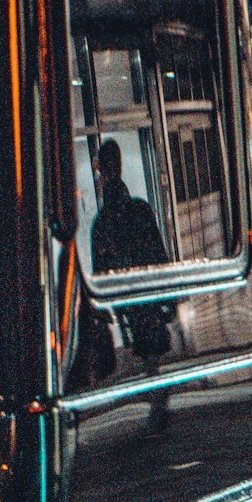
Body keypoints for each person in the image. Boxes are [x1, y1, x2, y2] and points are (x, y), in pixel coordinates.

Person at [91, 138, 173, 363]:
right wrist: (169, 300)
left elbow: (100, 277)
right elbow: (160, 257)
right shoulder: (141, 209)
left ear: (102, 173)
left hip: (130, 313)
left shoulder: (101, 223)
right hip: (152, 305)